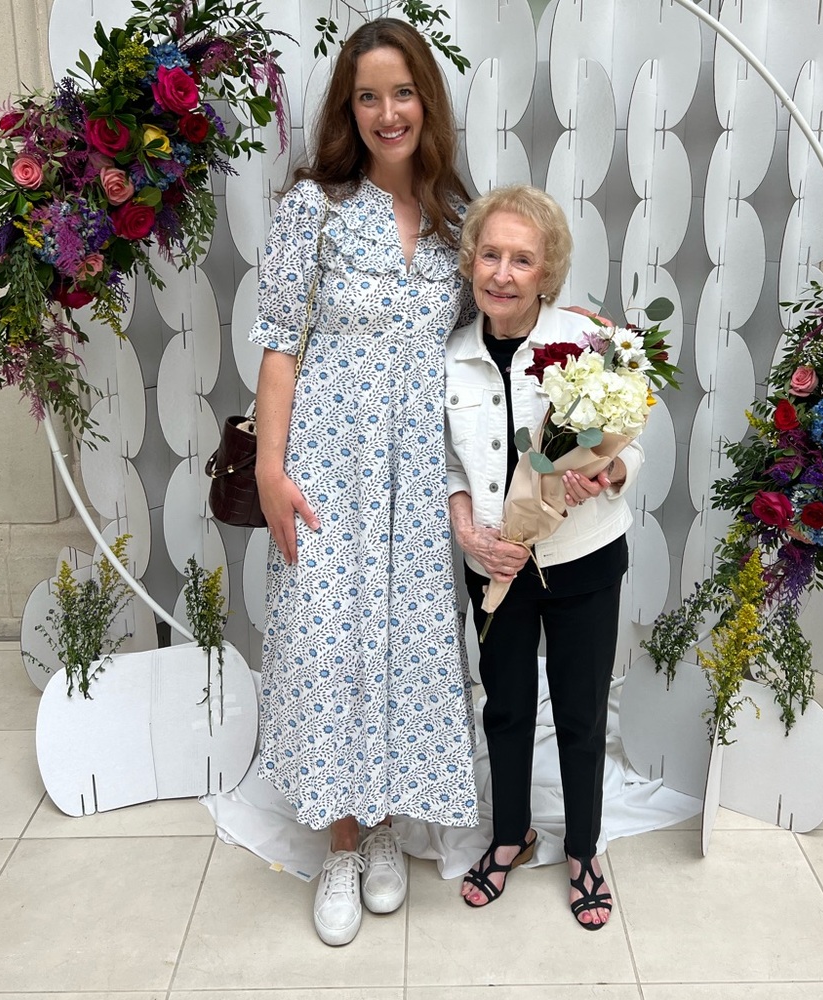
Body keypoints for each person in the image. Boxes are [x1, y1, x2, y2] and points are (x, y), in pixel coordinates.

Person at [249, 18, 478, 947]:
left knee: (405, 641)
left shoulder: (457, 221)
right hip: (330, 459)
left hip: (422, 469)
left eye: (403, 91)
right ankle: (341, 841)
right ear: (351, 108)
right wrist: (270, 466)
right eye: (368, 95)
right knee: (334, 641)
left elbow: (492, 335)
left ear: (428, 99)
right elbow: (279, 344)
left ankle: (386, 824)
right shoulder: (316, 207)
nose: (389, 112)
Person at [445, 185, 645, 930]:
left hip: (584, 557)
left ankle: (585, 848)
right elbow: (452, 466)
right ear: (472, 263)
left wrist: (613, 471)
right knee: (504, 707)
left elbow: (633, 440)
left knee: (582, 710)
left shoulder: (589, 343)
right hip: (495, 567)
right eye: (490, 254)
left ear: (546, 271)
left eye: (521, 259)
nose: (501, 272)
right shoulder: (452, 357)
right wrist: (468, 530)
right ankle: (510, 836)